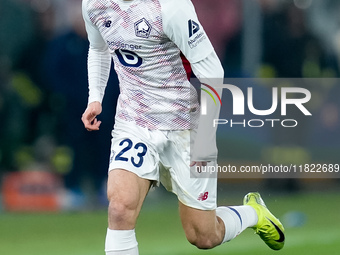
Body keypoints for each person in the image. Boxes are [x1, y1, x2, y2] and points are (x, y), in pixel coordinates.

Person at [81, 0, 285, 254]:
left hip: (184, 124)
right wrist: (95, 98)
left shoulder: (170, 7)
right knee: (120, 208)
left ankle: (253, 213)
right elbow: (98, 48)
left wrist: (206, 140)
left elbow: (213, 73)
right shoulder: (94, 5)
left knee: (203, 235)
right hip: (134, 121)